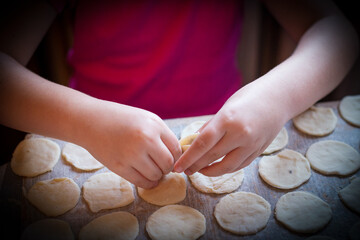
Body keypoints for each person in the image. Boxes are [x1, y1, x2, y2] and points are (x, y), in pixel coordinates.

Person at [0, 0, 358, 189]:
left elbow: (336, 33)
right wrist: (85, 122)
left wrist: (275, 100)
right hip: (93, 145)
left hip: (223, 143)